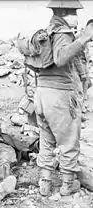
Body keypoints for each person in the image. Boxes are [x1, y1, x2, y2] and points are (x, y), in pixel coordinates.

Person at [35, 0, 93, 196]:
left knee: (47, 140)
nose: (77, 16)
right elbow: (60, 59)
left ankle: (45, 184)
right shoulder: (63, 33)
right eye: (75, 12)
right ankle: (68, 184)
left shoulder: (46, 33)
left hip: (41, 94)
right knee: (69, 140)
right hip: (59, 96)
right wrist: (83, 38)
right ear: (65, 11)